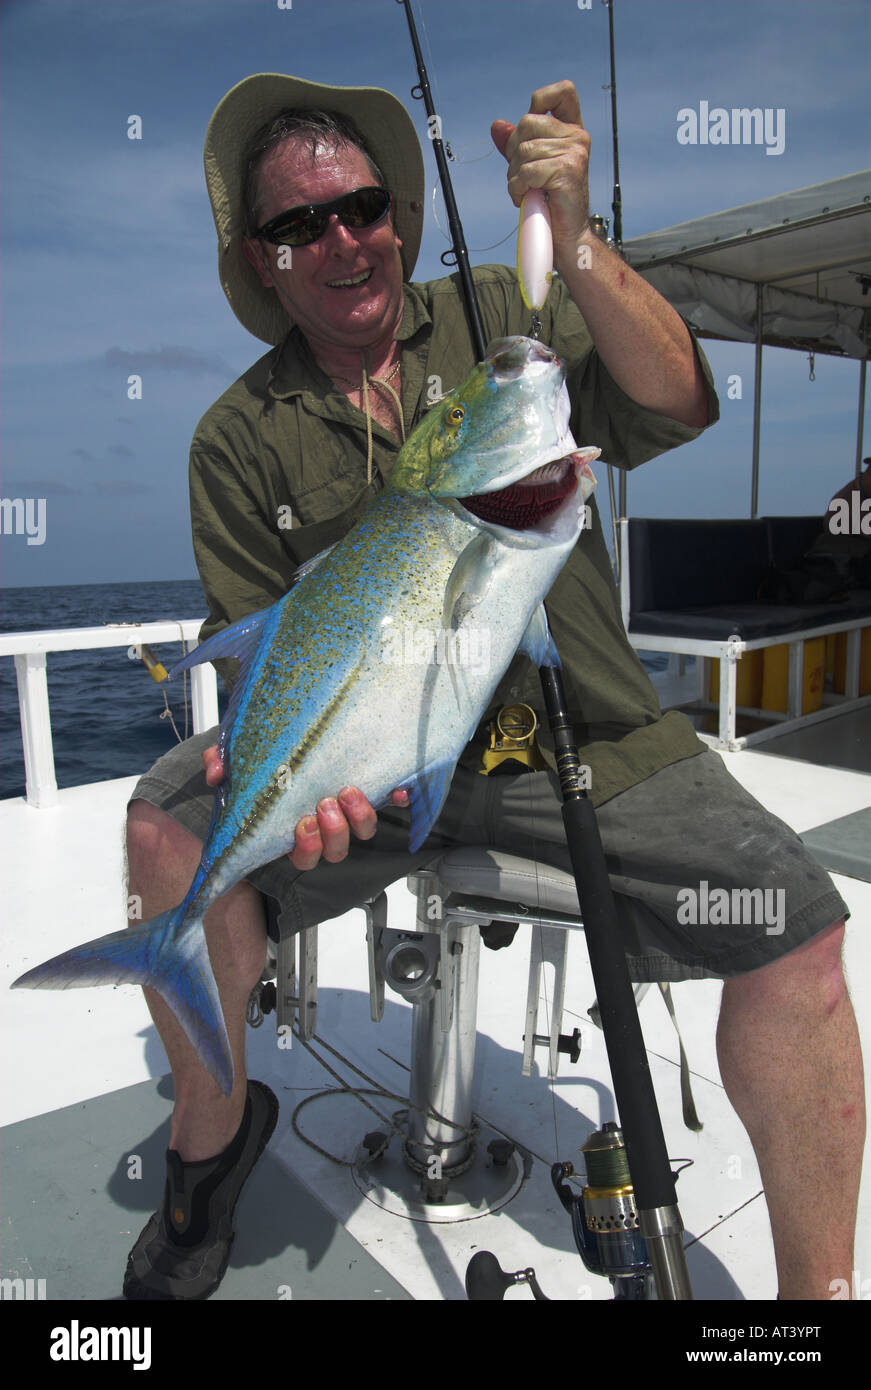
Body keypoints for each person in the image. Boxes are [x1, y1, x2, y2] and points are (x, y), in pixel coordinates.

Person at [123, 73, 864, 1301]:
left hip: (582, 738)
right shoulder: (235, 436)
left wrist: (572, 241)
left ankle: (816, 1304)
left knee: (796, 932)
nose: (340, 240)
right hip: (360, 762)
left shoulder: (499, 314)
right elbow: (253, 639)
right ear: (260, 260)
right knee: (164, 830)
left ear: (397, 217)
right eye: (298, 225)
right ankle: (211, 1146)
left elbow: (676, 398)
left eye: (358, 206)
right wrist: (278, 767)